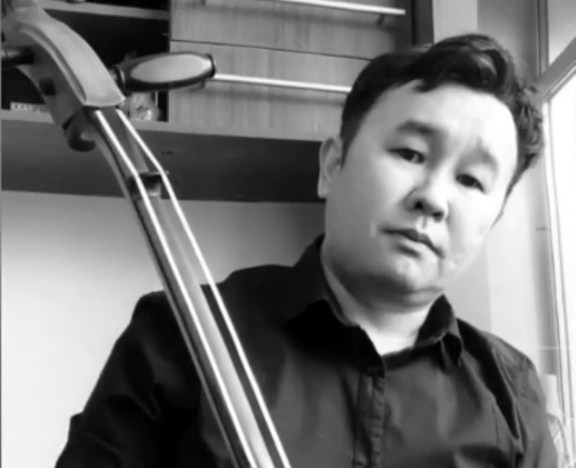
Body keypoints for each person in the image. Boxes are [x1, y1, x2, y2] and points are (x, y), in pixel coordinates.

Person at [56, 33, 557, 467]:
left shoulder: (512, 393)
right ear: (332, 165)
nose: (433, 198)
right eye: (410, 153)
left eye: (471, 180)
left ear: (494, 220)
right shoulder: (180, 335)